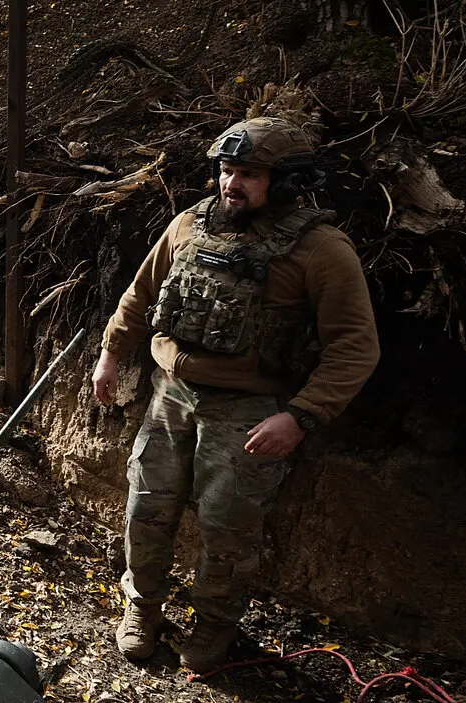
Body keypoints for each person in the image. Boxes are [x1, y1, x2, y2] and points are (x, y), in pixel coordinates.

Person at [91, 117, 379, 671]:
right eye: (226, 171)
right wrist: (111, 353)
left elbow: (355, 346)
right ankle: (142, 609)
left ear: (287, 181)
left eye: (248, 174)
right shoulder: (187, 227)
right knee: (146, 508)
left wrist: (300, 416)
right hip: (169, 393)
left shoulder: (321, 250)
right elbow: (139, 293)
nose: (231, 185)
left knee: (228, 528)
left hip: (248, 412)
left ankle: (214, 628)